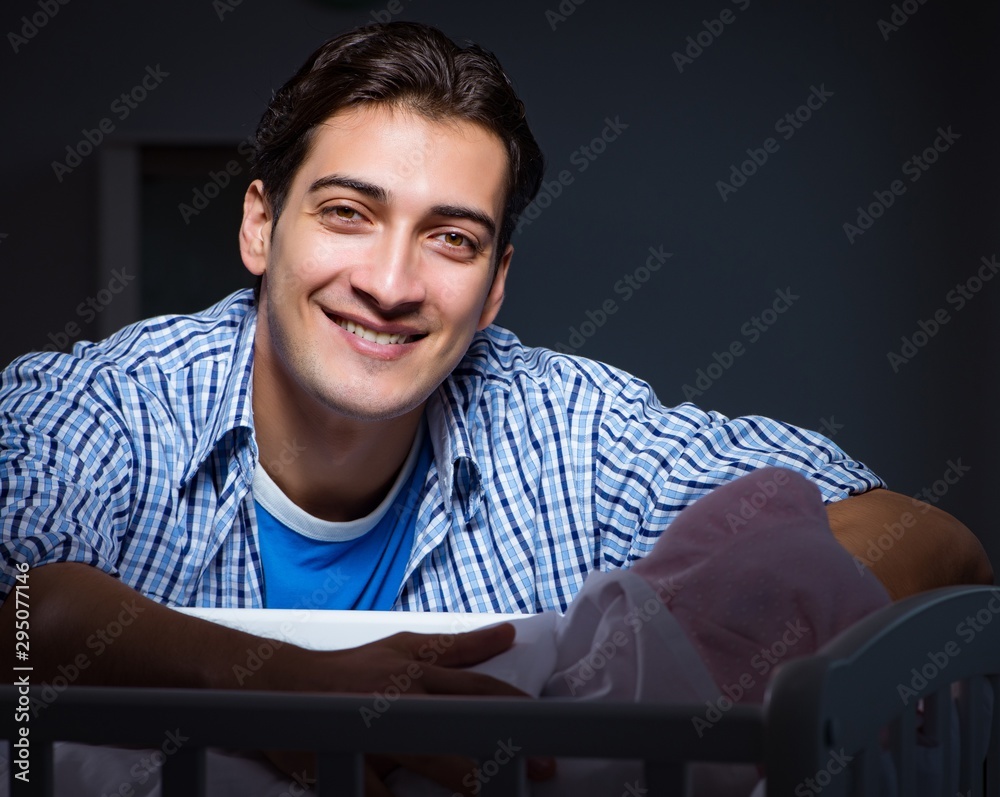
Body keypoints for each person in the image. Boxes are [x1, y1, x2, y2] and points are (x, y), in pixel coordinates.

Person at [0, 19, 992, 795]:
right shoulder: (103, 407)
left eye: (451, 238)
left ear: (496, 283)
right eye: (348, 213)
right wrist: (259, 674)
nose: (390, 282)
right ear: (261, 224)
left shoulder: (572, 431)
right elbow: (23, 602)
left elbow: (919, 535)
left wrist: (685, 678)